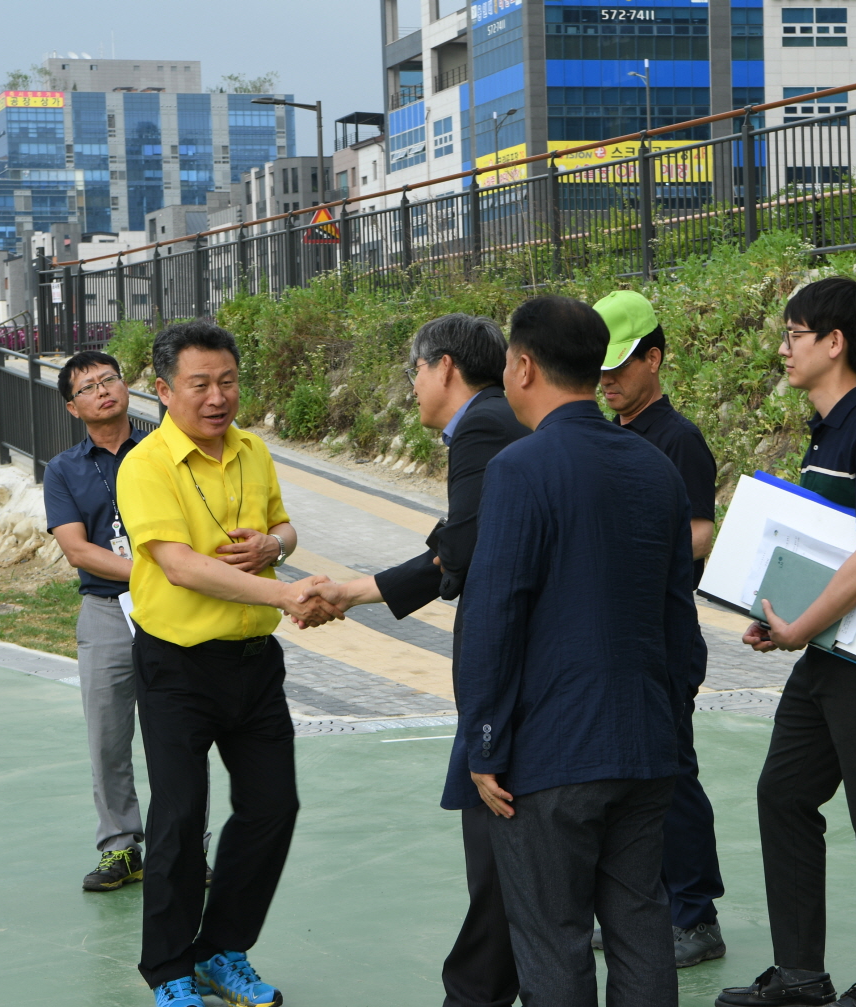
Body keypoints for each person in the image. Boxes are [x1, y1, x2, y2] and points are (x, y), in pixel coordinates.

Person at [451, 294, 697, 1007]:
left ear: (523, 366)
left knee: (552, 936)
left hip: (550, 755)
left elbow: (496, 612)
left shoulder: (520, 469)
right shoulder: (656, 468)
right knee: (642, 924)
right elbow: (677, 618)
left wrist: (485, 739)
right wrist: (671, 725)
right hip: (645, 745)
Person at [297, 313, 528, 1007]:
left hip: (506, 687)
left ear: (447, 366)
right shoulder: (494, 422)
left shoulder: (483, 428)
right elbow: (449, 549)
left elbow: (460, 552)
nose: (413, 387)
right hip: (517, 689)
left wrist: (340, 595)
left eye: (416, 372)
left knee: (500, 861)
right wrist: (348, 592)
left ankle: (475, 994)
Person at [719, 277, 856, 1007]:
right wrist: (776, 612)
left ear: (834, 342)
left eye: (794, 333)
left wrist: (798, 628)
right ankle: (802, 976)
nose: (783, 347)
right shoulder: (829, 430)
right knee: (783, 791)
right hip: (831, 649)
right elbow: (825, 549)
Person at [115, 321, 342, 1007]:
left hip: (253, 663)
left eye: (228, 381)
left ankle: (222, 949)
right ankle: (169, 970)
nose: (218, 397)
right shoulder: (146, 465)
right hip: (177, 667)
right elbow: (179, 565)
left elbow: (285, 525)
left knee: (274, 806)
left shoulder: (253, 452)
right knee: (180, 817)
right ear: (162, 390)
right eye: (200, 384)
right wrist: (284, 590)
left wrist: (273, 544)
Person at [45, 352, 215, 892]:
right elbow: (77, 549)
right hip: (106, 612)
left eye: (109, 380)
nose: (103, 391)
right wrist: (155, 567)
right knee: (108, 735)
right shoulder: (64, 469)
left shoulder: (169, 450)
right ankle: (121, 847)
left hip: (175, 608)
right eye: (88, 388)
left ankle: (189, 848)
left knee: (182, 734)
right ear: (74, 408)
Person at [592, 289, 724, 969]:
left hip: (665, 636)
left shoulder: (677, 438)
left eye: (620, 366)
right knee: (625, 778)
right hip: (620, 638)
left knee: (671, 776)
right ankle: (637, 905)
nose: (608, 381)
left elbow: (699, 533)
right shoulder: (610, 435)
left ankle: (695, 914)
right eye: (600, 369)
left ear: (655, 357)